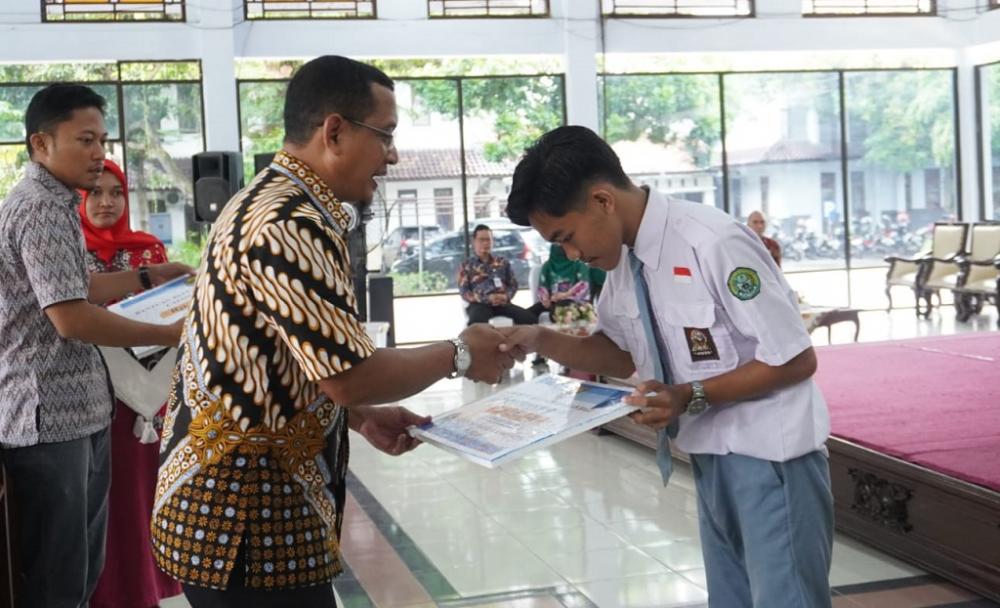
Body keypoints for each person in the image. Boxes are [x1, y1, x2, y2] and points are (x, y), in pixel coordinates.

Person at [151, 56, 515, 608]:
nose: (392, 157)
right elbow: (349, 376)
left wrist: (359, 415)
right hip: (247, 519)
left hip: (237, 513)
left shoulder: (260, 201)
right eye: (385, 136)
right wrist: (461, 355)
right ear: (335, 131)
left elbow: (267, 360)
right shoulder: (290, 222)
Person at [499, 126, 833, 608]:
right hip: (710, 456)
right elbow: (624, 352)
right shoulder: (623, 263)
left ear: (602, 200)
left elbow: (796, 358)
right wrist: (540, 338)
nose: (572, 255)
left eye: (567, 238)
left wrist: (690, 396)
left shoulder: (712, 242)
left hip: (771, 458)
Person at [0, 83, 189, 608]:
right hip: (47, 419)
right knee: (59, 578)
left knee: (82, 568)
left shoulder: (57, 203)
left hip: (80, 412)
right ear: (40, 143)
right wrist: (167, 333)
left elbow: (79, 287)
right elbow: (72, 319)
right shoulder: (38, 209)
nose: (99, 153)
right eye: (85, 140)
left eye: (103, 140)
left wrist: (152, 276)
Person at [79, 159, 183, 608]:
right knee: (102, 500)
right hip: (87, 396)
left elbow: (168, 311)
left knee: (143, 497)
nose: (106, 202)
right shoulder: (67, 251)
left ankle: (143, 591)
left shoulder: (148, 250)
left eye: (116, 192)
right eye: (96, 192)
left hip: (145, 399)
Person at [459, 224, 537, 326]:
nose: (485, 243)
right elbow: (465, 292)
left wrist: (505, 296)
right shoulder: (466, 265)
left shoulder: (502, 263)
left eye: (488, 240)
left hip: (502, 303)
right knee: (478, 323)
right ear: (474, 242)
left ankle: (513, 342)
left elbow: (513, 285)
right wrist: (488, 298)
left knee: (529, 319)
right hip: (479, 304)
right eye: (481, 240)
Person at [528, 243, 606, 319]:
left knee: (559, 312)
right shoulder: (548, 266)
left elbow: (584, 285)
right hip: (552, 301)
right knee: (529, 313)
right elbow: (542, 286)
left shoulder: (578, 264)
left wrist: (565, 295)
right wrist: (545, 299)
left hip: (573, 300)